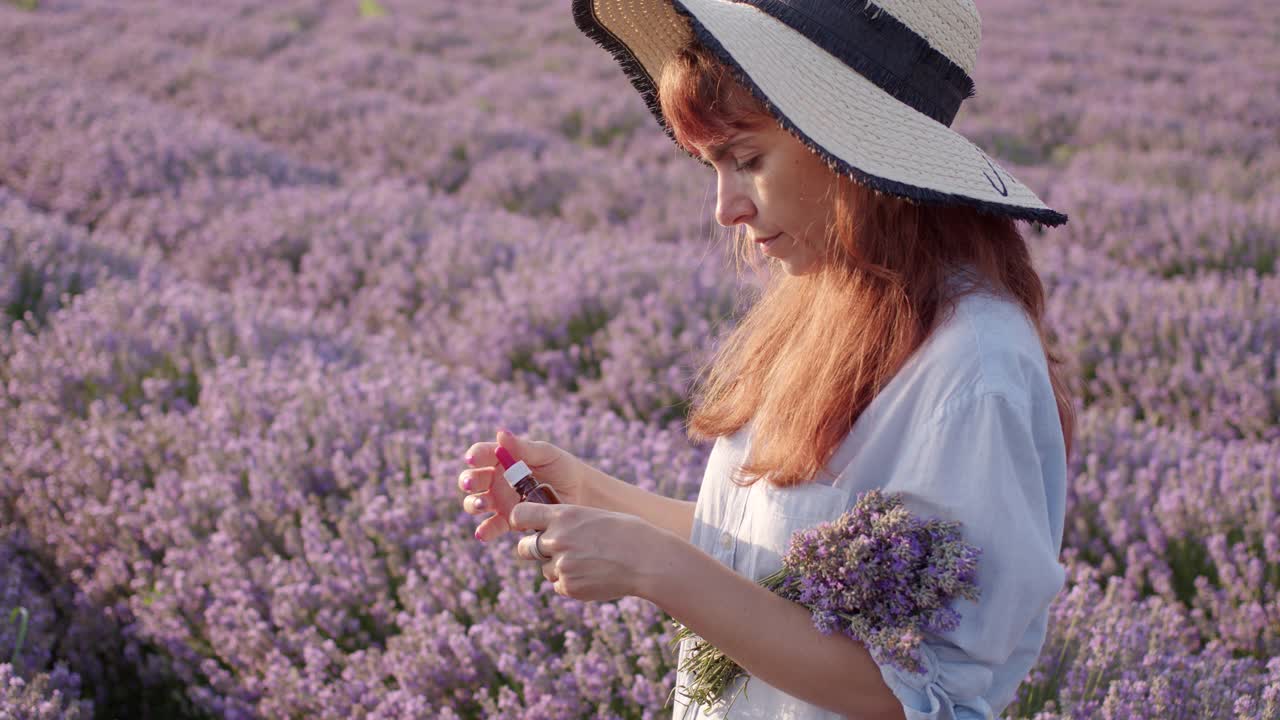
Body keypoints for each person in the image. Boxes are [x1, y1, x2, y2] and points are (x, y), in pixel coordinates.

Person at [458, 0, 1074, 717]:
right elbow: (773, 560)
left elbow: (920, 694)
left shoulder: (973, 372)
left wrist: (656, 571)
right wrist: (593, 497)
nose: (725, 209)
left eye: (747, 161)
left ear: (849, 147)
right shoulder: (832, 298)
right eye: (711, 164)